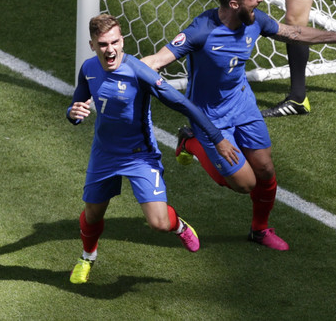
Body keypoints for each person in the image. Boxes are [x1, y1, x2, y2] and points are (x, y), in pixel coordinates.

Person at [141, 0, 336, 251]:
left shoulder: (255, 21)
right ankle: (191, 141)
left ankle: (260, 230)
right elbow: (158, 60)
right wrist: (122, 69)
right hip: (211, 118)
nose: (260, 0)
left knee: (266, 170)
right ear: (234, 4)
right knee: (244, 184)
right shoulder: (202, 30)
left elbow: (293, 32)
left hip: (243, 106)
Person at [67, 14, 240, 284]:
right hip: (104, 154)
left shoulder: (139, 72)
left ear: (122, 41)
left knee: (159, 223)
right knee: (92, 214)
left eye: (114, 42)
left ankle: (180, 226)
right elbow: (78, 103)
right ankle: (87, 257)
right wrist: (73, 113)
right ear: (92, 45)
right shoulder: (88, 68)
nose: (110, 49)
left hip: (139, 155)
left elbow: (182, 103)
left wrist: (217, 137)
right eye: (102, 44)